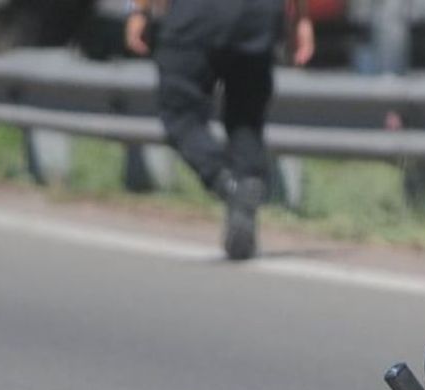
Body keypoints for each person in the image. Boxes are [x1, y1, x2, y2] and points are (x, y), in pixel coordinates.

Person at [125, 0, 315, 260]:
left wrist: (140, 10)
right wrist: (301, 19)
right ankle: (245, 190)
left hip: (198, 14)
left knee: (178, 111)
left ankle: (227, 182)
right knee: (246, 119)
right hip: (258, 17)